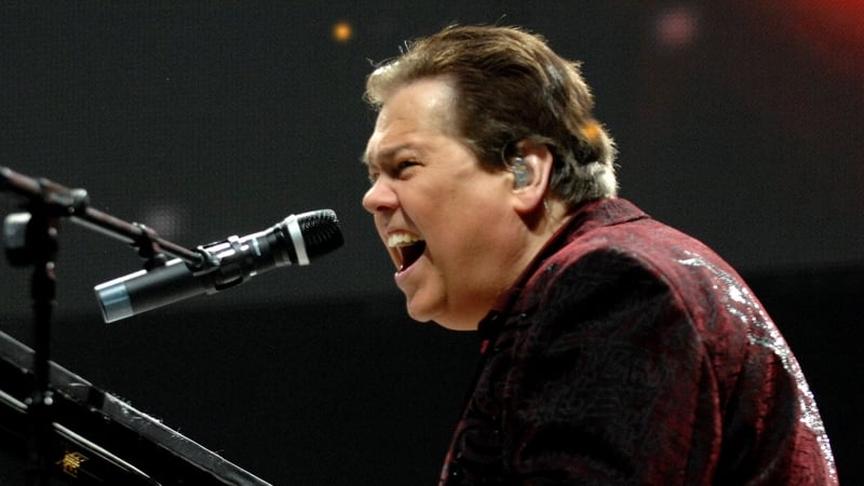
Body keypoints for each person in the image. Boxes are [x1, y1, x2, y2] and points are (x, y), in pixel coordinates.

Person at [361, 25, 838, 485]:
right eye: (373, 176)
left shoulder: (615, 290)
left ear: (525, 174)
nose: (373, 199)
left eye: (405, 166)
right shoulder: (616, 274)